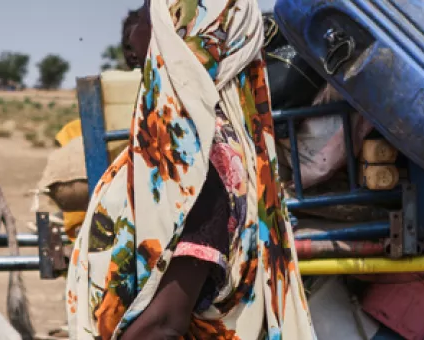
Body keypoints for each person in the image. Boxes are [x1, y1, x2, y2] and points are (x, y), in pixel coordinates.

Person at [64, 0, 317, 339]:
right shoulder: (185, 149)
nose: (135, 31)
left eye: (145, 13)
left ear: (178, 34)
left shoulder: (199, 166)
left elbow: (164, 323)